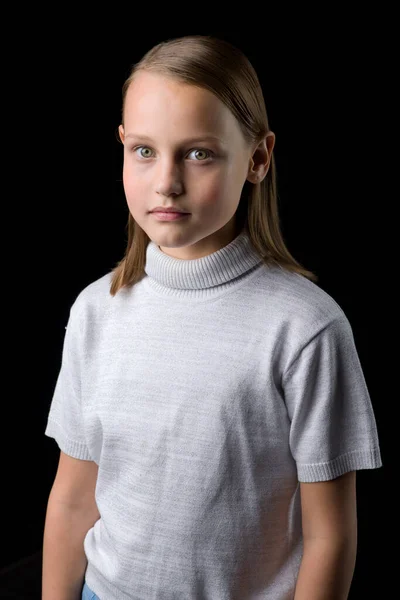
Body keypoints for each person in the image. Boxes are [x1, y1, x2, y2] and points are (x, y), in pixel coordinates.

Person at [42, 35, 382, 600]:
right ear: (122, 146)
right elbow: (75, 497)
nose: (167, 181)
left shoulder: (304, 328)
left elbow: (329, 535)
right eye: (145, 151)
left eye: (198, 153)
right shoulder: (95, 311)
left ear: (258, 158)